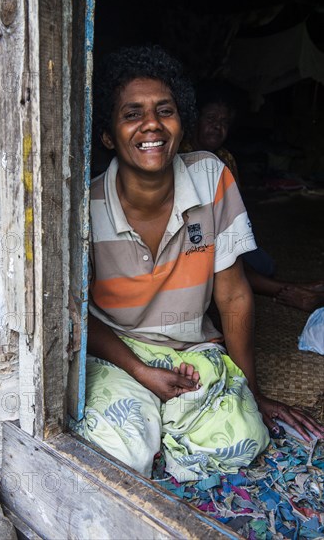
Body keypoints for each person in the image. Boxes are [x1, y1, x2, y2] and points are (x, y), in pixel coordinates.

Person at [70, 46, 324, 482]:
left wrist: (250, 389)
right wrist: (141, 372)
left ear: (180, 122)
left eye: (164, 111)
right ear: (109, 134)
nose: (151, 124)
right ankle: (154, 423)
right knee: (115, 454)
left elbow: (233, 292)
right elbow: (72, 312)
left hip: (192, 351)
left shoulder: (209, 176)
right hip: (117, 353)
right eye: (132, 113)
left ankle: (175, 422)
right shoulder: (84, 205)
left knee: (240, 441)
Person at [189, 80, 324, 313]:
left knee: (264, 265)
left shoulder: (225, 158)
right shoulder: (181, 153)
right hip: (194, 236)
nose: (217, 127)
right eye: (210, 119)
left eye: (223, 122)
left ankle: (271, 282)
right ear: (195, 120)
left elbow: (236, 209)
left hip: (222, 230)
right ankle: (288, 289)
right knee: (224, 261)